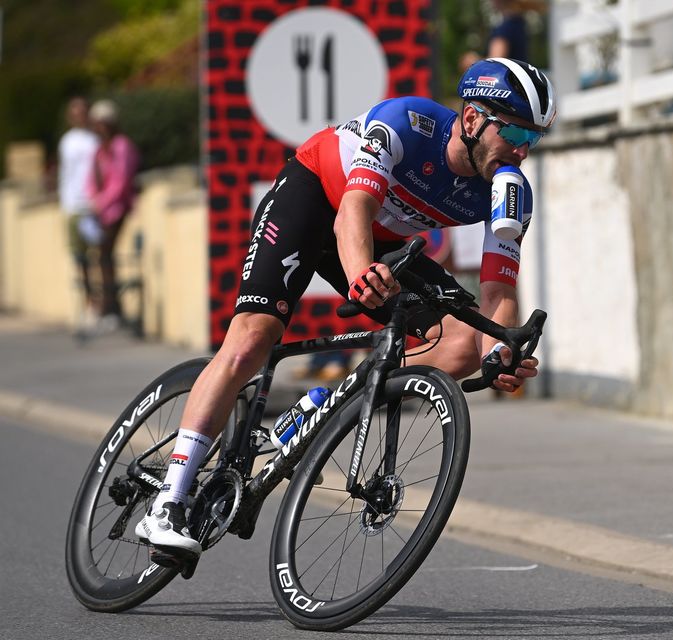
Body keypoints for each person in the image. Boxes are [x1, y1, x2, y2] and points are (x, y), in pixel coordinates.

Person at [136, 57, 556, 561]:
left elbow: (498, 292)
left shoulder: (509, 192)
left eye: (533, 138)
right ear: (471, 119)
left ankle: (322, 409)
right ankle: (169, 501)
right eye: (514, 131)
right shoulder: (407, 122)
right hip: (316, 199)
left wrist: (499, 353)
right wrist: (360, 275)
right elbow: (354, 209)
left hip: (382, 239)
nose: (522, 150)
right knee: (252, 338)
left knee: (463, 341)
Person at [87, 99, 139, 328]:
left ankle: (112, 307)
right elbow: (92, 178)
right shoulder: (100, 149)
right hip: (101, 212)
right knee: (102, 256)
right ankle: (109, 305)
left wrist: (102, 202)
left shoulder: (121, 145)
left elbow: (121, 180)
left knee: (105, 254)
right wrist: (94, 200)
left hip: (117, 210)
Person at [57, 97, 100, 320]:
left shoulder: (95, 139)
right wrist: (65, 204)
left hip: (93, 205)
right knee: (79, 258)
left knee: (99, 254)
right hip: (74, 206)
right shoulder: (67, 141)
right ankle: (89, 302)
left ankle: (102, 301)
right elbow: (65, 174)